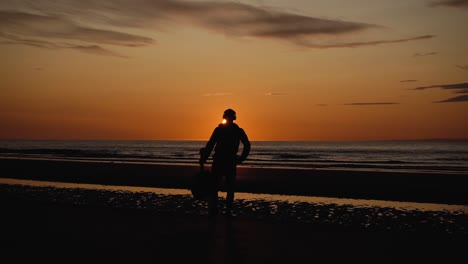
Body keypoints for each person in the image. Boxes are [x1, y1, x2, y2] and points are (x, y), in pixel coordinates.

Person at [199, 108, 250, 217]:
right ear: (233, 118)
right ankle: (225, 210)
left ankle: (218, 209)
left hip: (223, 161)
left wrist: (204, 158)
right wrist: (241, 158)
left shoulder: (224, 130)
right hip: (227, 161)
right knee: (226, 187)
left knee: (218, 186)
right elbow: (210, 145)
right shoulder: (233, 130)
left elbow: (210, 145)